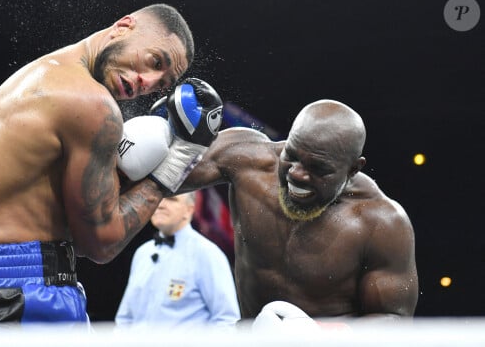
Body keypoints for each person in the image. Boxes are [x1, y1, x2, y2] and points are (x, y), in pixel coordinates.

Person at [0, 3, 224, 327]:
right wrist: (176, 163)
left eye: (160, 84)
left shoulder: (47, 75)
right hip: (20, 298)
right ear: (123, 26)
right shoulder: (91, 105)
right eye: (155, 62)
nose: (149, 81)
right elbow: (101, 243)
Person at [178, 99, 419, 326]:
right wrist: (163, 130)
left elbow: (394, 321)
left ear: (353, 169)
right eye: (291, 156)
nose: (297, 174)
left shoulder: (381, 222)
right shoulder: (246, 160)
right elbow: (160, 176)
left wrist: (319, 334)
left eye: (318, 168)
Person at [115, 192, 241, 330]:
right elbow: (124, 319)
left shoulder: (207, 254)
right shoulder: (142, 253)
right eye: (158, 199)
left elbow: (226, 320)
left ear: (189, 210)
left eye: (171, 199)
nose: (160, 205)